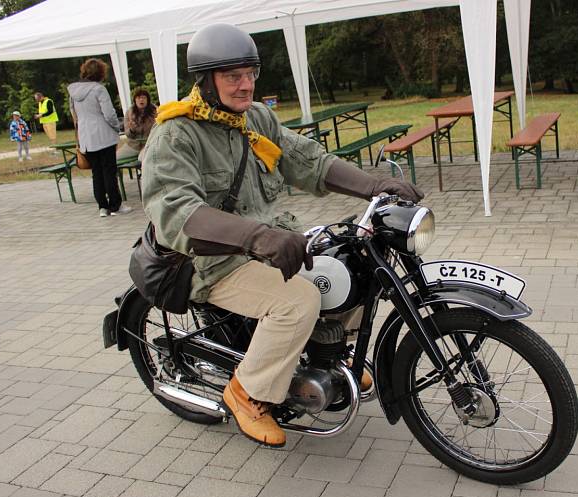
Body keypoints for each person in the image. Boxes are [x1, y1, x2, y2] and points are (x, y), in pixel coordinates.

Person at [141, 22, 423, 447]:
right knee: (299, 300)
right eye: (232, 76)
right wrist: (256, 237)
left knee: (352, 269)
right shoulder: (176, 135)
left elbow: (307, 159)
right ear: (206, 81)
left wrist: (374, 185)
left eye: (250, 73)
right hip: (212, 262)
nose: (245, 85)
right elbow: (179, 215)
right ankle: (246, 393)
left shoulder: (255, 119)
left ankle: (328, 355)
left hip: (267, 243)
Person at [68, 58, 133, 218]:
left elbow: (74, 115)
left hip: (86, 137)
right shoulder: (99, 89)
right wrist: (117, 127)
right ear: (101, 72)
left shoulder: (73, 92)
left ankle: (102, 207)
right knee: (109, 172)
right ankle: (115, 205)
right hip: (103, 136)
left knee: (96, 173)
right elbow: (109, 114)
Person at [117, 87, 157, 160]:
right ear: (135, 100)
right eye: (138, 98)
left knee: (142, 158)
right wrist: (131, 129)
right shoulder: (129, 112)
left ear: (148, 100)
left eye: (144, 98)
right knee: (114, 159)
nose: (141, 100)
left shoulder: (156, 111)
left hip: (149, 144)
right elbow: (128, 134)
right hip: (133, 145)